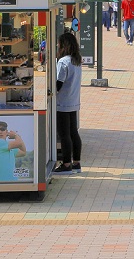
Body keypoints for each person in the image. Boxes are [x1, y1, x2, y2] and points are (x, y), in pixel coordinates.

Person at [54, 30, 82, 174]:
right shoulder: (76, 60)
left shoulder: (63, 62)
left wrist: (50, 91)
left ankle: (66, 164)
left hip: (62, 102)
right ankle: (76, 162)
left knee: (64, 134)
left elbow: (58, 83)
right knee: (73, 132)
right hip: (74, 101)